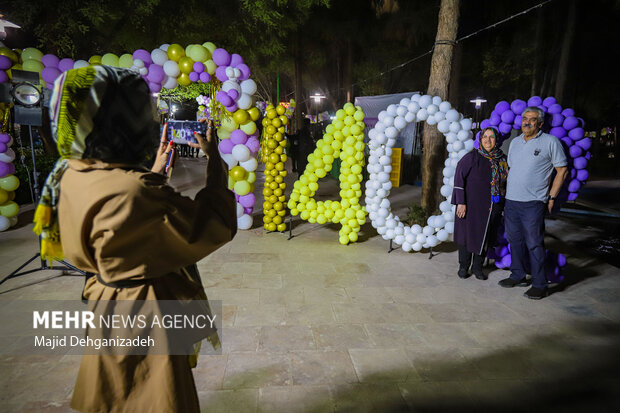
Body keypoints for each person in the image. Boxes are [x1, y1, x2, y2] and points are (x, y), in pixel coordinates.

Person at [33, 65, 237, 412]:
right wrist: (215, 164)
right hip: (143, 320)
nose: (152, 120)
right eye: (143, 111)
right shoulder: (134, 191)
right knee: (152, 396)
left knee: (113, 396)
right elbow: (212, 225)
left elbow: (113, 222)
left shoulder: (69, 172)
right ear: (122, 122)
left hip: (106, 308)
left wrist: (151, 174)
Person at [498, 106, 567, 299]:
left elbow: (562, 171)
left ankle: (540, 284)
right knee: (514, 240)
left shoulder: (550, 142)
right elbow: (513, 168)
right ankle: (518, 275)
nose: (527, 122)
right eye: (525, 118)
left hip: (533, 202)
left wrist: (551, 197)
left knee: (534, 244)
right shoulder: (515, 142)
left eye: (532, 119)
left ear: (541, 123)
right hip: (512, 201)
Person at [452, 127, 507, 280]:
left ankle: (477, 267)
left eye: (491, 137)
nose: (487, 140)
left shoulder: (502, 160)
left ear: (497, 140)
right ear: (480, 139)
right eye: (485, 137)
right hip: (470, 206)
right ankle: (464, 266)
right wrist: (460, 202)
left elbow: (505, 181)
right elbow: (459, 178)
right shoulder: (472, 157)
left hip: (492, 206)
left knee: (485, 237)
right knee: (467, 236)